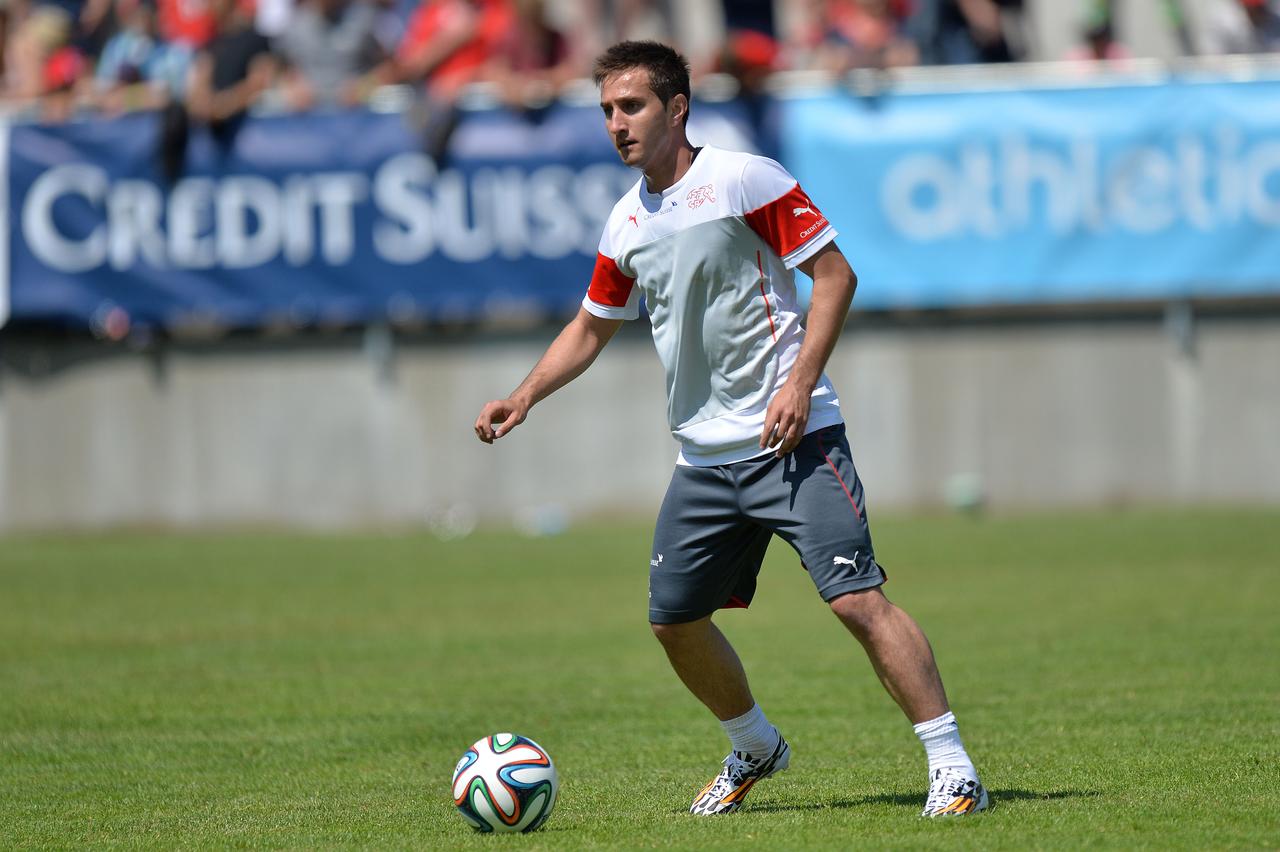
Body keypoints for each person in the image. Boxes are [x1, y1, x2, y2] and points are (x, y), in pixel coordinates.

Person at [473, 40, 988, 818]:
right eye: (607, 109)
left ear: (677, 108)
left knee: (855, 601)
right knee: (673, 621)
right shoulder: (625, 222)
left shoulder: (745, 179)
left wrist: (800, 383)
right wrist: (525, 394)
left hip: (795, 440)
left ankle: (954, 768)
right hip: (704, 460)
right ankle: (754, 744)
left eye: (633, 106)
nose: (617, 123)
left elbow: (837, 275)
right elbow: (590, 326)